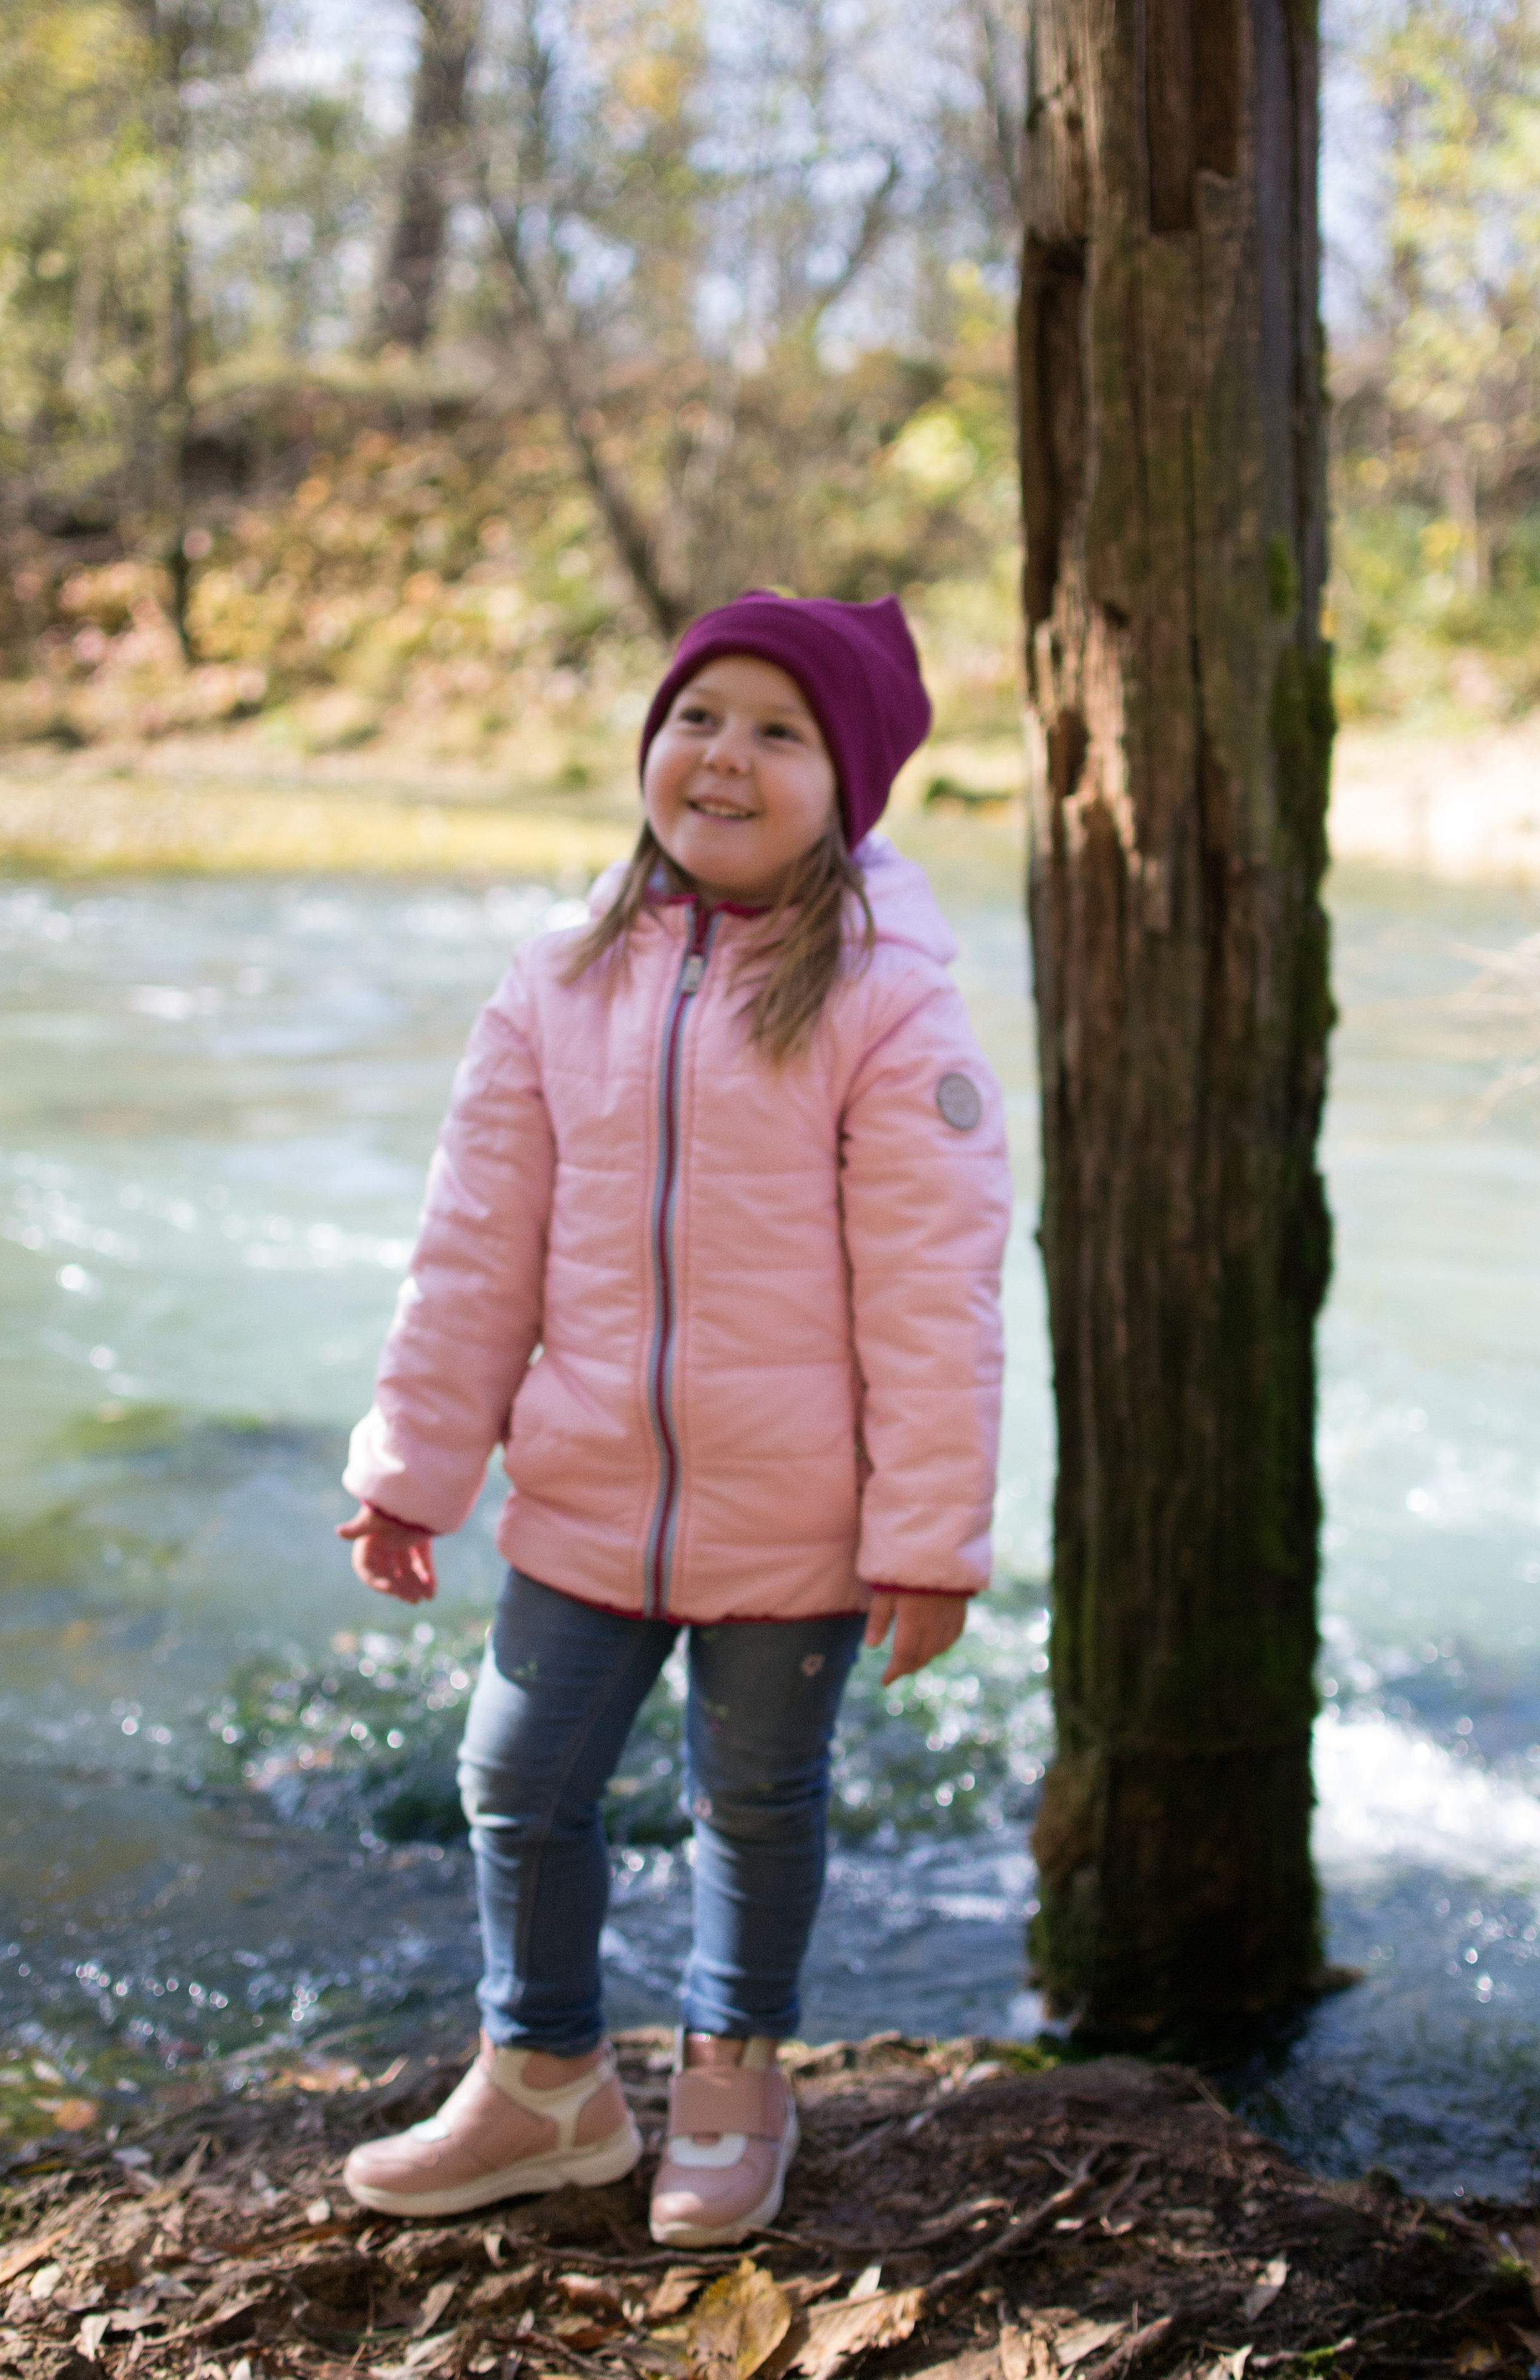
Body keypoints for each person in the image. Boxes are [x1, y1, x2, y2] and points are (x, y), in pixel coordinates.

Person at [334, 589, 1011, 2246]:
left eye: (781, 733)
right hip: (582, 1491)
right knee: (516, 1778)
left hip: (799, 1518)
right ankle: (544, 2083)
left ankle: (732, 2075)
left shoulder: (889, 1005)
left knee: (756, 1801)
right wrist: (415, 1466)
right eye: (698, 715)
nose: (724, 755)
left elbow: (940, 1295)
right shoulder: (562, 977)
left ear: (845, 790)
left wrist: (929, 1537)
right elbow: (474, 1247)